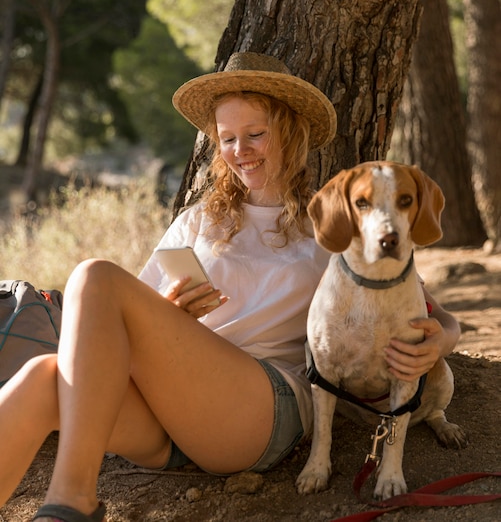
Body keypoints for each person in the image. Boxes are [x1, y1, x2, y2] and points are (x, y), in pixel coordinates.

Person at [0, 52, 460, 522]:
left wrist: (443, 340)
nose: (241, 150)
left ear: (290, 131)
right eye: (228, 138)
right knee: (43, 375)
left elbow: (426, 308)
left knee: (94, 274)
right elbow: (120, 319)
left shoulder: (334, 226)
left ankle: (72, 501)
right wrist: (167, 312)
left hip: (262, 408)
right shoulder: (197, 221)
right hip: (173, 414)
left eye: (255, 134)